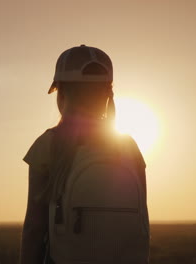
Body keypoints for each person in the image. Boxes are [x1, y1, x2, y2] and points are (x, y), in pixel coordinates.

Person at [20, 45, 149, 264]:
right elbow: (142, 225)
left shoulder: (48, 145)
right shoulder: (128, 146)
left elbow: (35, 227)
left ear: (62, 92)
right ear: (107, 93)